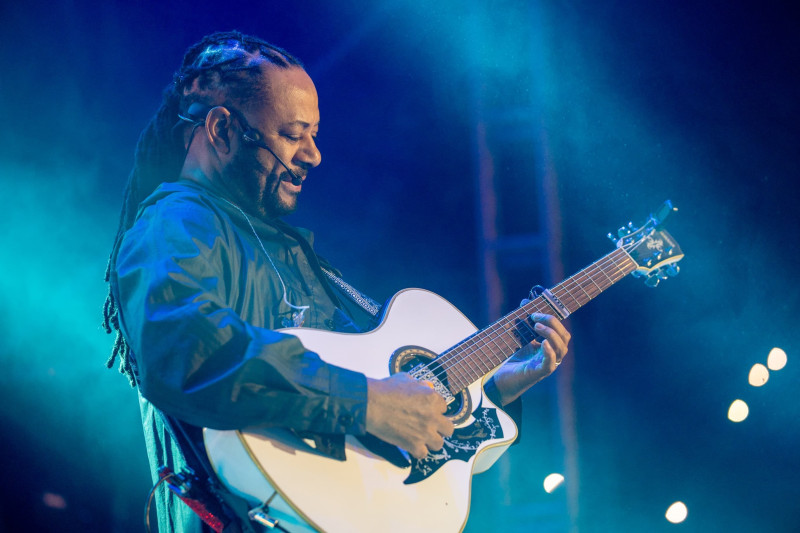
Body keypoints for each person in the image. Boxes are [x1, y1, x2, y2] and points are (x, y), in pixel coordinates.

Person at [103, 31, 571, 533]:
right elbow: (188, 351)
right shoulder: (177, 224)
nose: (313, 155)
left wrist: (493, 389)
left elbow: (372, 429)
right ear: (221, 131)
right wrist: (365, 401)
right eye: (292, 133)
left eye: (314, 134)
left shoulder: (284, 249)